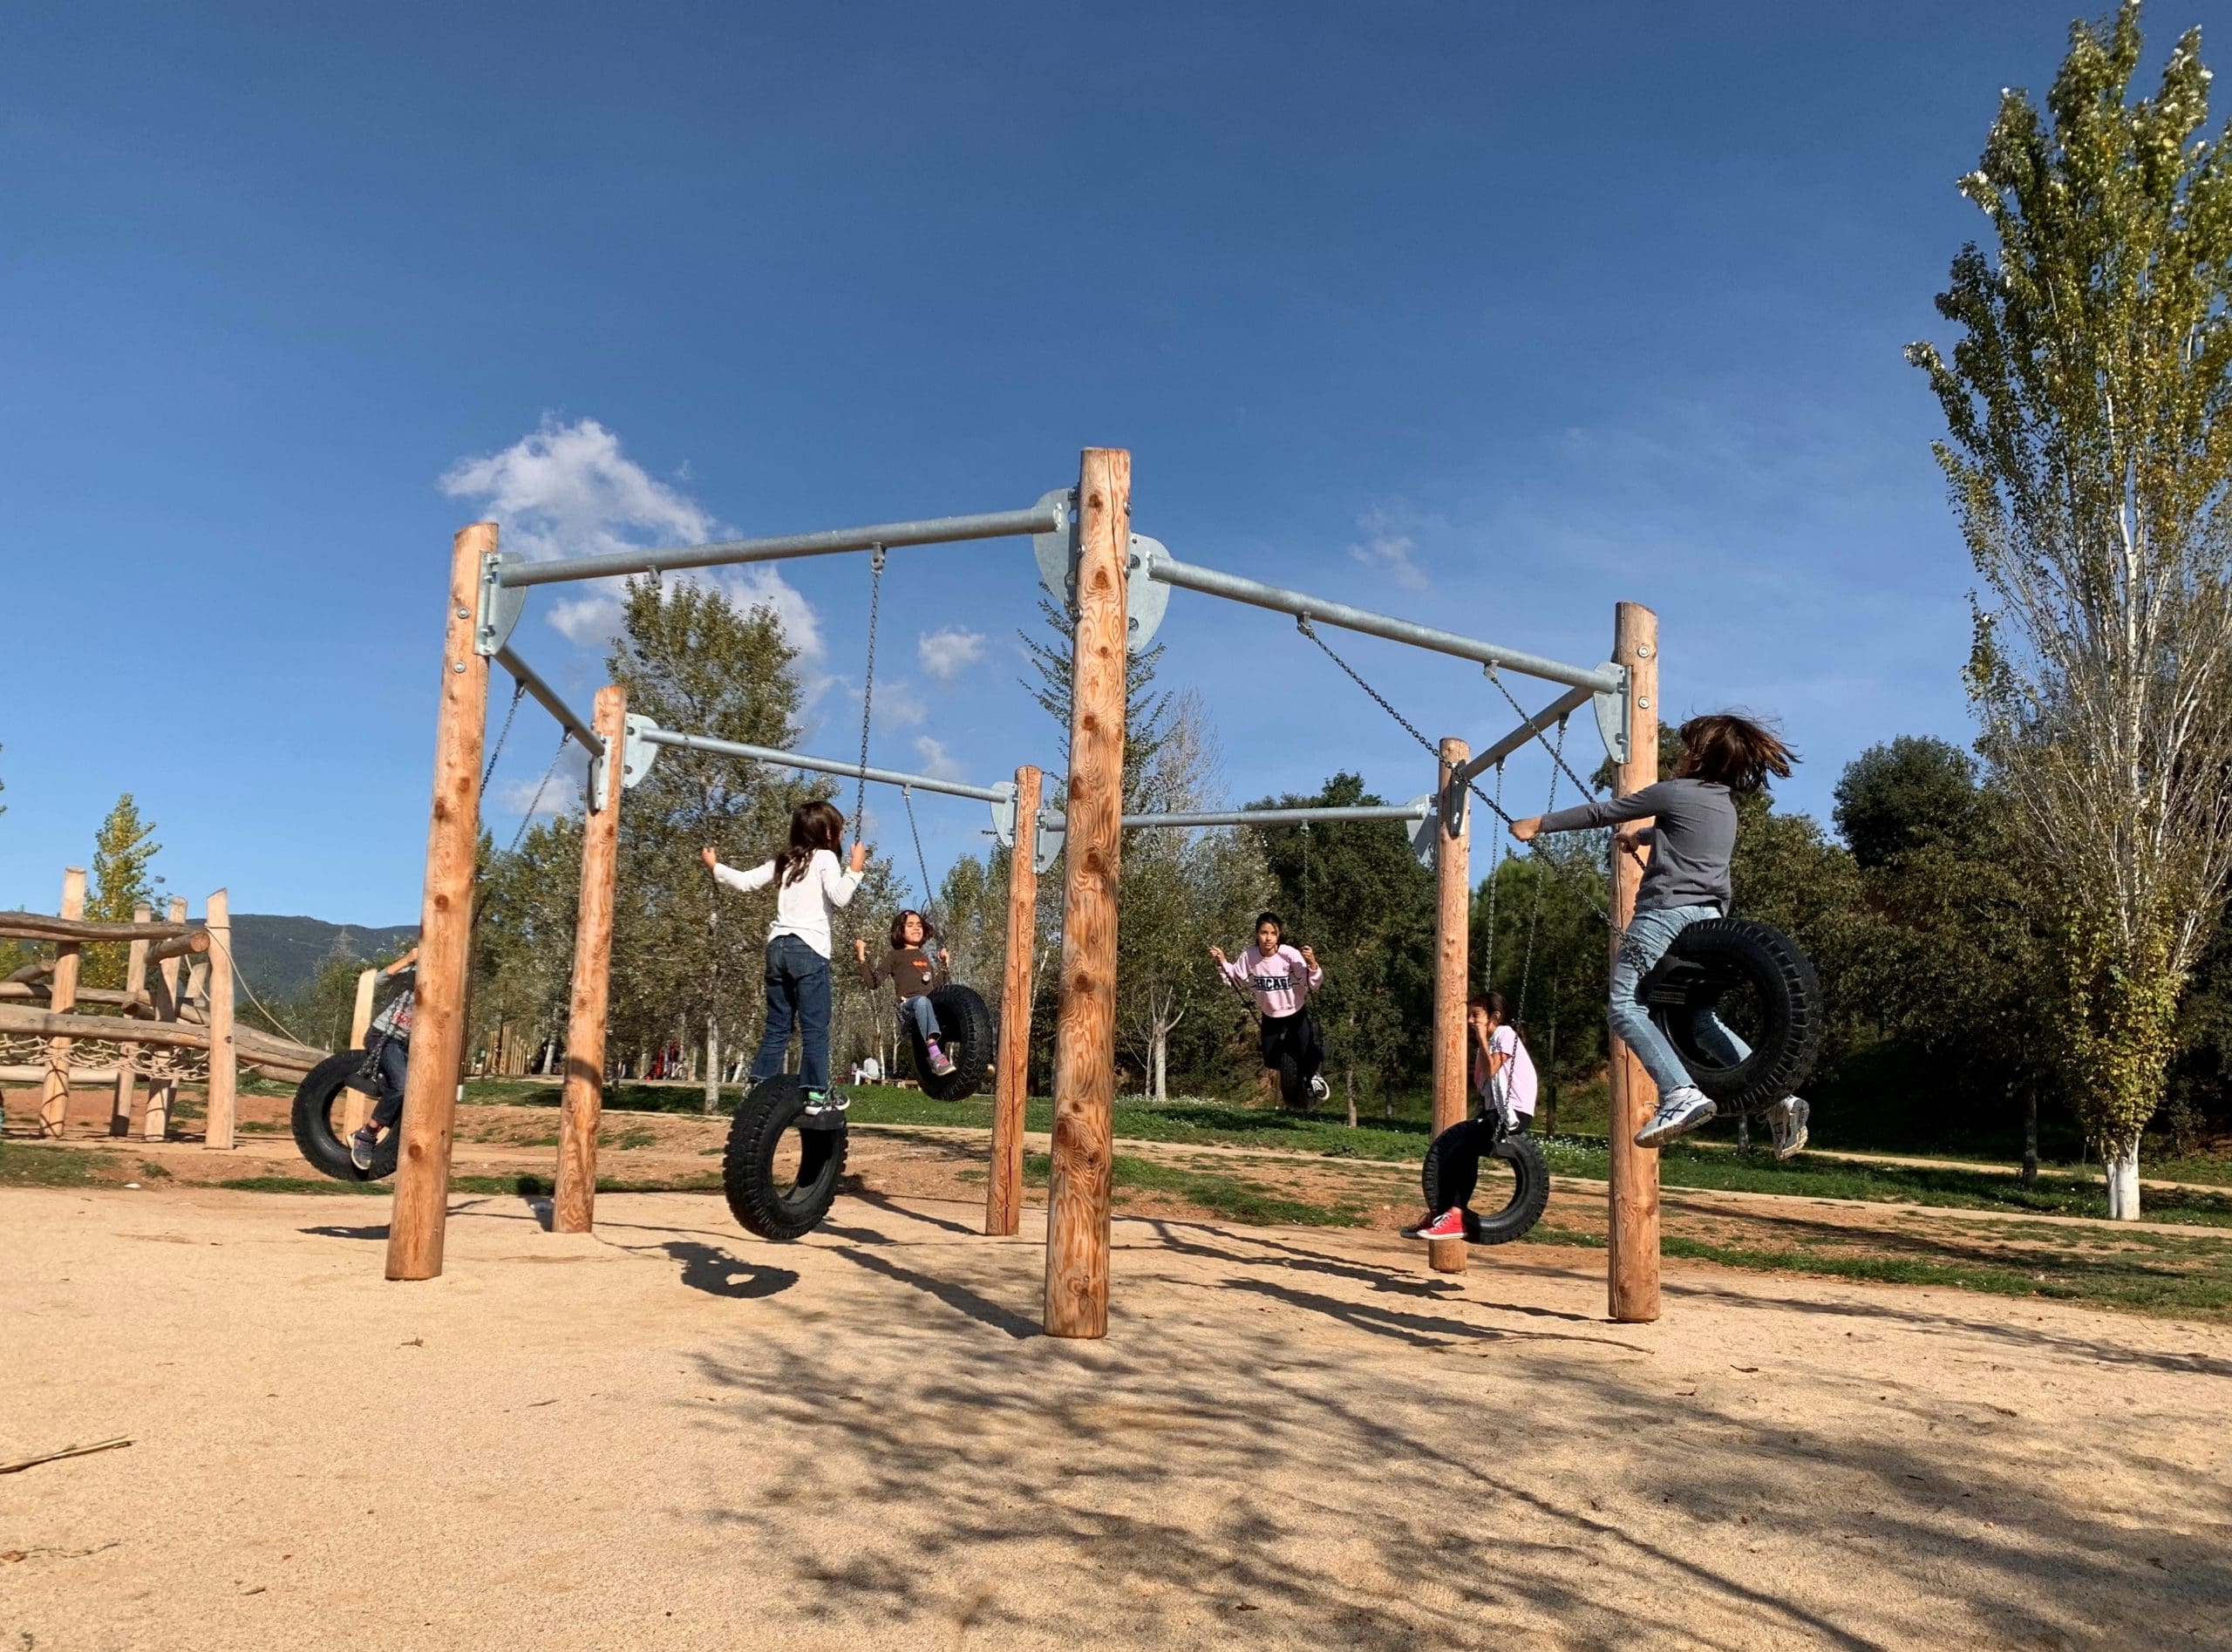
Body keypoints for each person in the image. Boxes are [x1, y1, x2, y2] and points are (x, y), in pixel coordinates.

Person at [1510, 712, 1809, 1158]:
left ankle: (1680, 1094)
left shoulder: (1673, 792)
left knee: (1625, 1006)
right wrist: (1643, 836)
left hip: (1664, 915)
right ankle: (1779, 1099)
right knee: (1698, 1019)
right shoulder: (1723, 804)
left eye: (1686, 746)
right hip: (1711, 922)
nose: (1679, 753)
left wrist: (1537, 824)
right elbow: (1684, 832)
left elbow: (1602, 812)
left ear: (1698, 755)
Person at [704, 799, 868, 1117]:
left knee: (777, 1025)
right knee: (815, 1026)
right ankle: (817, 1094)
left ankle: (757, 1091)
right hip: (809, 949)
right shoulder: (823, 858)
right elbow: (840, 897)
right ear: (831, 833)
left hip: (777, 948)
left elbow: (746, 881)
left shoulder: (784, 860)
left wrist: (715, 866)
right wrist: (856, 869)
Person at [1408, 992, 1537, 1241]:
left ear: (1494, 1017)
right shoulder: (1489, 1041)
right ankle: (1440, 1214)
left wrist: (1480, 1037)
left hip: (1514, 1113)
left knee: (1463, 1151)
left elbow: (1492, 1070)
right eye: (1469, 1015)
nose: (1470, 1020)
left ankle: (1456, 1215)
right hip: (1495, 1111)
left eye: (1476, 1015)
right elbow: (1483, 1082)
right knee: (1451, 1149)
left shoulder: (1504, 1034)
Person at [1210, 912, 1329, 1106]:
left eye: (1273, 933)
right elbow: (1236, 980)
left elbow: (1312, 984)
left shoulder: (1289, 955)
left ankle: (1313, 1076)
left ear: (1279, 934)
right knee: (1271, 1060)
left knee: (1306, 1051)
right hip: (1270, 1015)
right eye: (1264, 933)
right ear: (1257, 934)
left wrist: (1313, 964)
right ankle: (1295, 1075)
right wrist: (1222, 961)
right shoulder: (1250, 956)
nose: (1268, 938)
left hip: (1295, 1012)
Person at [856, 909, 956, 1078]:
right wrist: (861, 957)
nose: (916, 928)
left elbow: (936, 986)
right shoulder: (895, 956)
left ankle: (976, 1058)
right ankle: (935, 1055)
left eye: (919, 925)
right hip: (907, 1008)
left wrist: (945, 966)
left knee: (951, 1007)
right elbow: (873, 983)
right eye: (910, 925)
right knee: (922, 1001)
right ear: (900, 930)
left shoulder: (924, 957)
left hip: (926, 1006)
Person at [349, 944, 419, 1171]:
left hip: (406, 1044)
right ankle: (366, 1135)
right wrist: (408, 959)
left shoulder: (440, 985)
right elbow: (377, 981)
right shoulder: (407, 974)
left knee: (410, 1090)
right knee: (401, 1086)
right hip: (384, 1036)